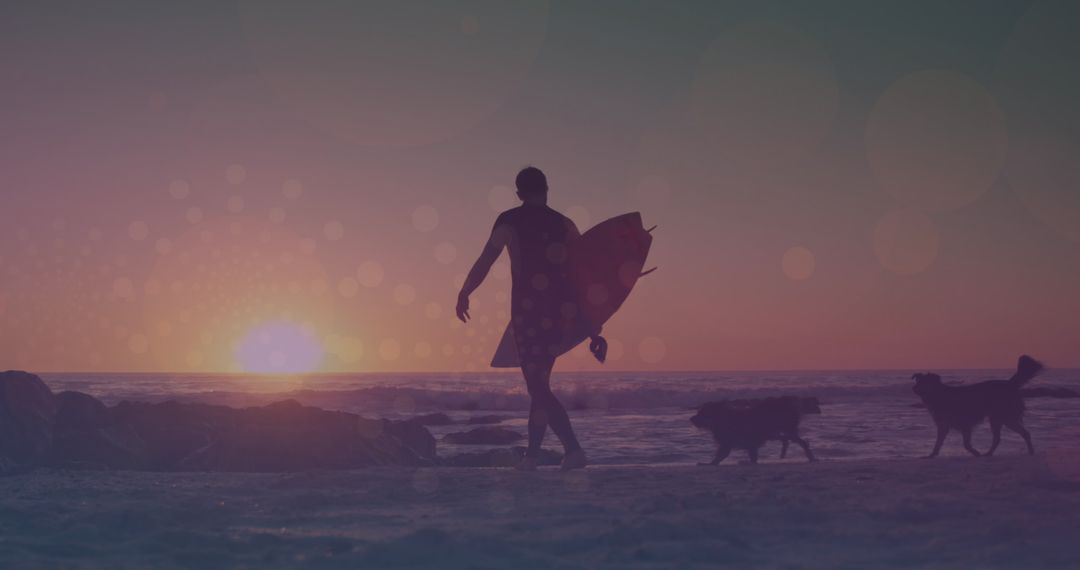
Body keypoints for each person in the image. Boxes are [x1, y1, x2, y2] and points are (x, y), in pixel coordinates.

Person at [456, 166, 603, 471]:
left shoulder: (509, 220)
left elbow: (486, 260)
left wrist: (465, 291)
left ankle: (573, 449)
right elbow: (583, 276)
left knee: (537, 387)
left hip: (528, 314)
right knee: (539, 384)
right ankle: (532, 456)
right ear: (546, 189)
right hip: (560, 314)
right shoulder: (565, 224)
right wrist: (591, 327)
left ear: (519, 193)